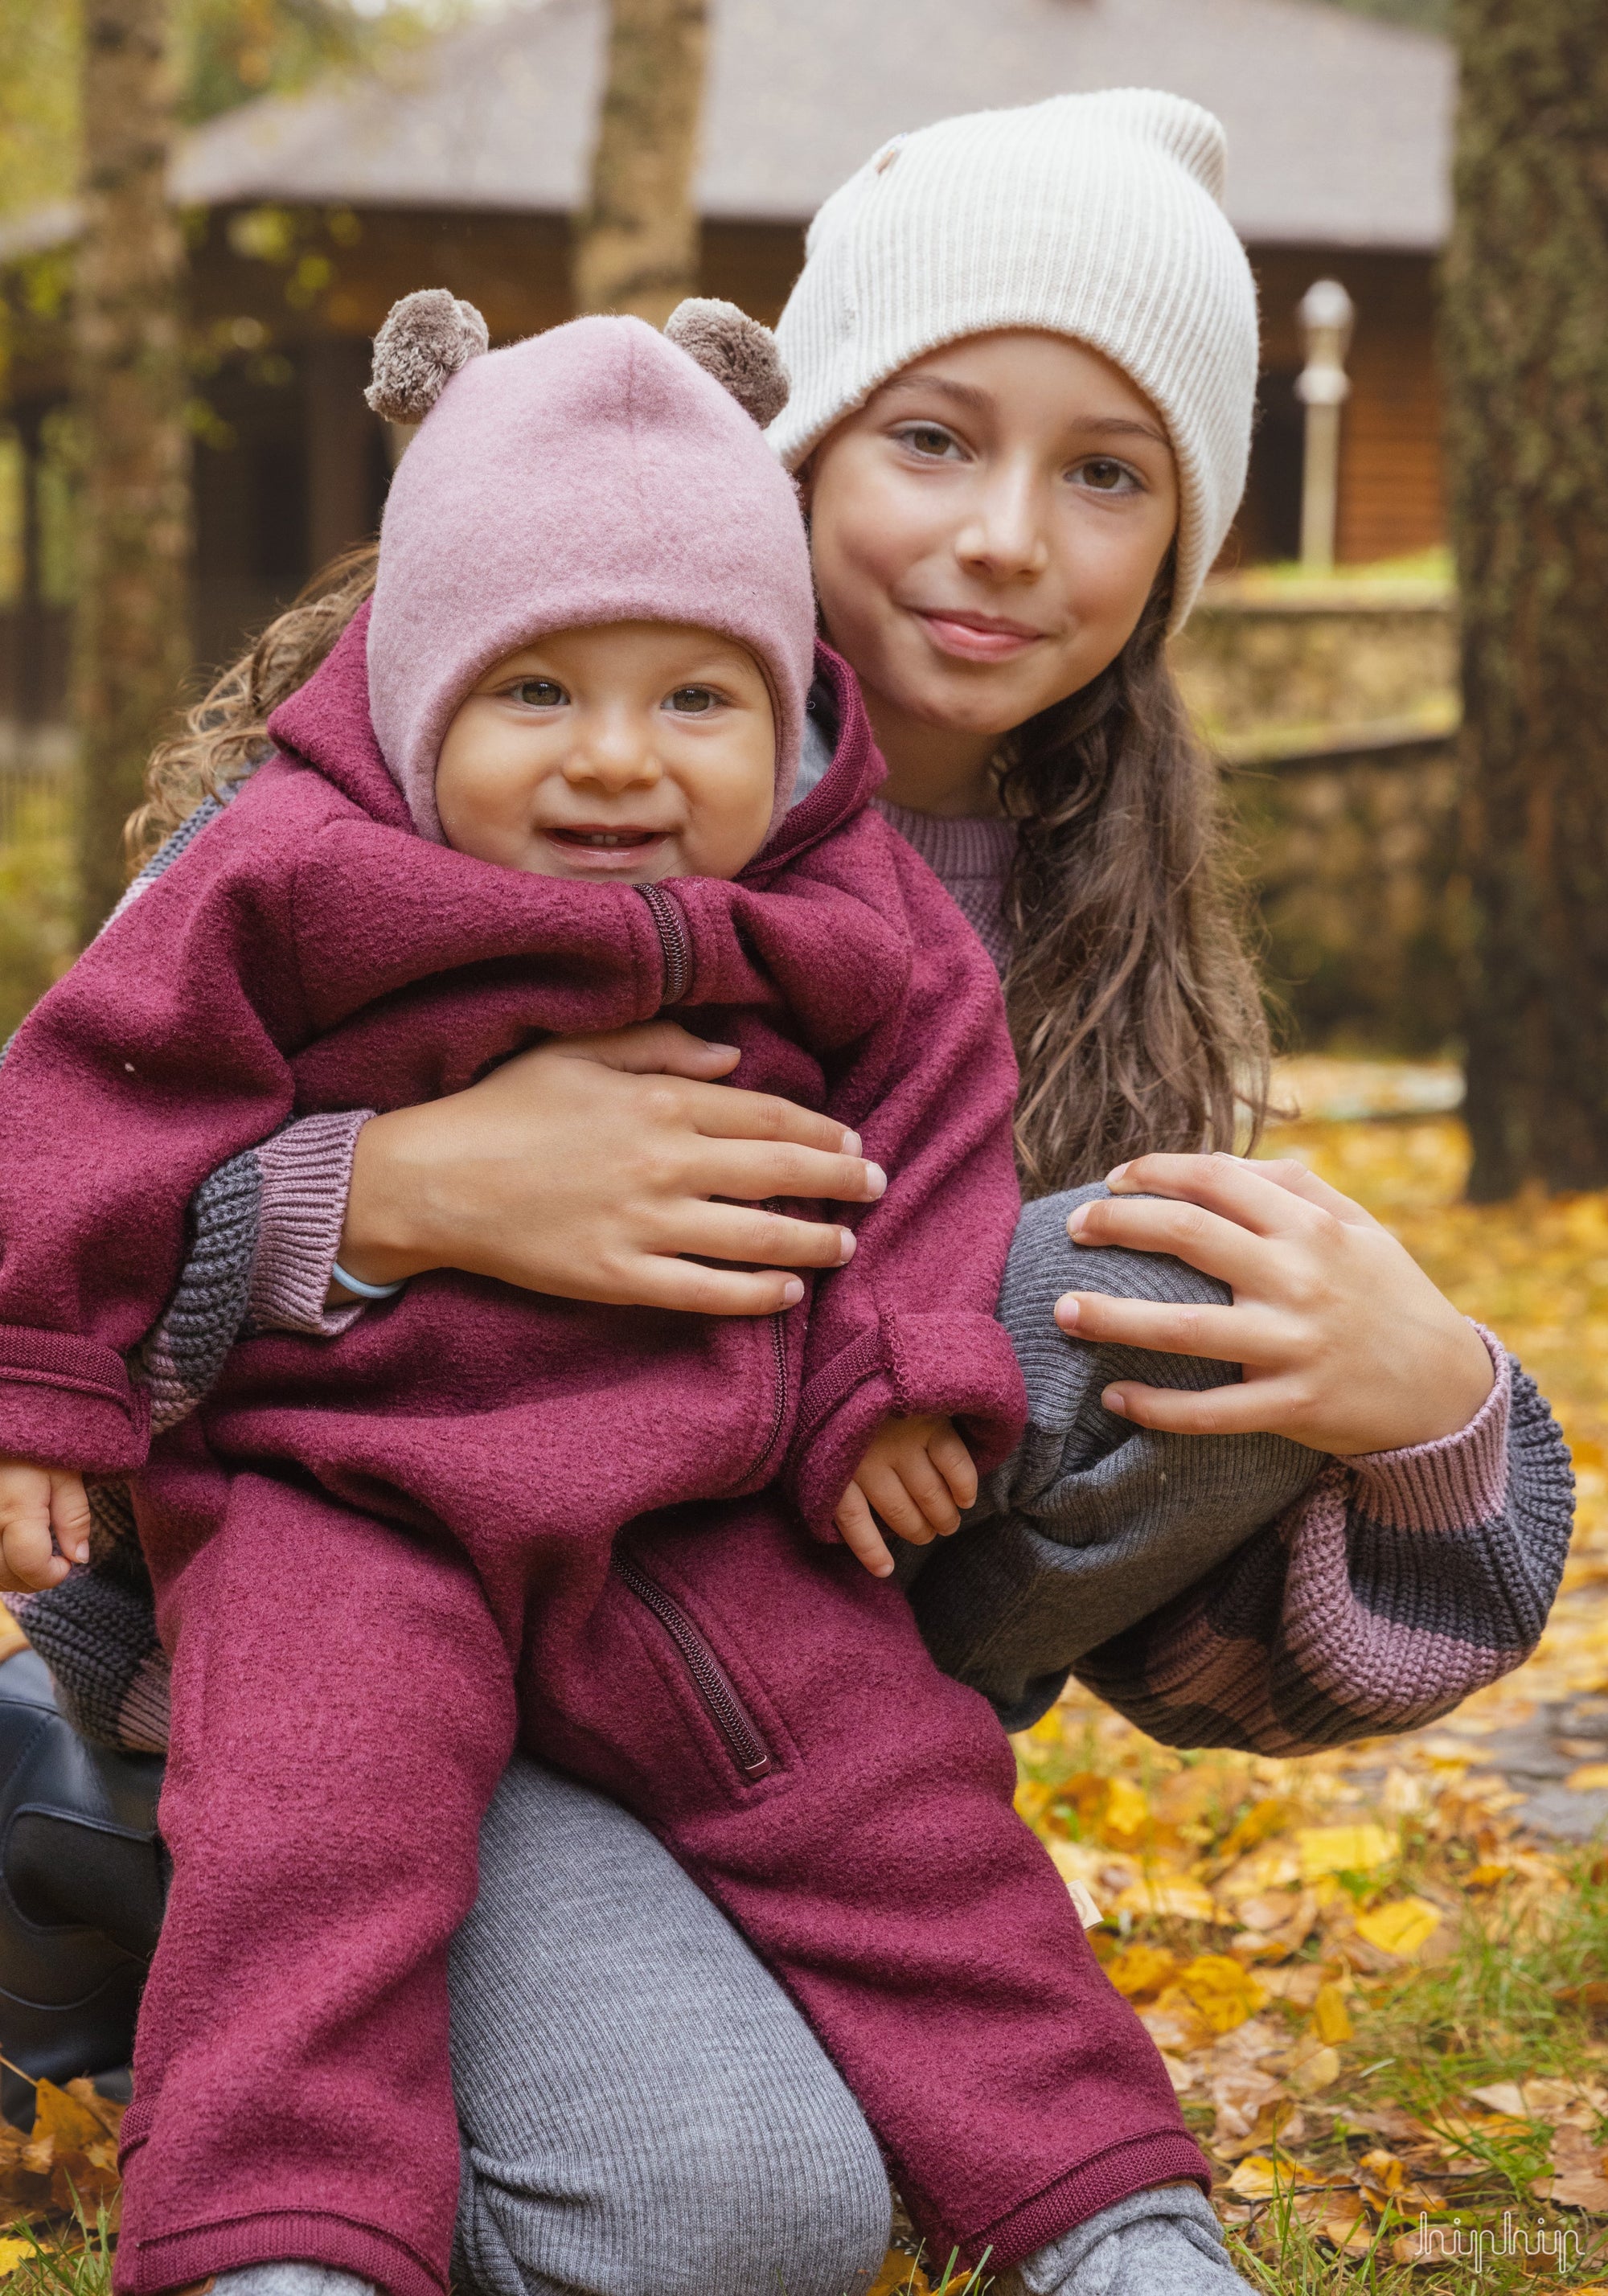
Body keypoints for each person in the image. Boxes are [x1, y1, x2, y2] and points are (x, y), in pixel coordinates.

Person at [0, 88, 1572, 2296]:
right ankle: (125, 1859)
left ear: (1182, 539)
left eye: (1107, 471)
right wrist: (390, 1197)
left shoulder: (1098, 947)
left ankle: (816, 2023)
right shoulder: (419, 741)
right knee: (604, 2107)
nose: (1007, 537)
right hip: (342, 1611)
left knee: (1158, 1272)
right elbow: (67, 1152)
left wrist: (1426, 1418)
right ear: (798, 440)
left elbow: (1154, 1599)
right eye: (934, 437)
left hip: (763, 1657)